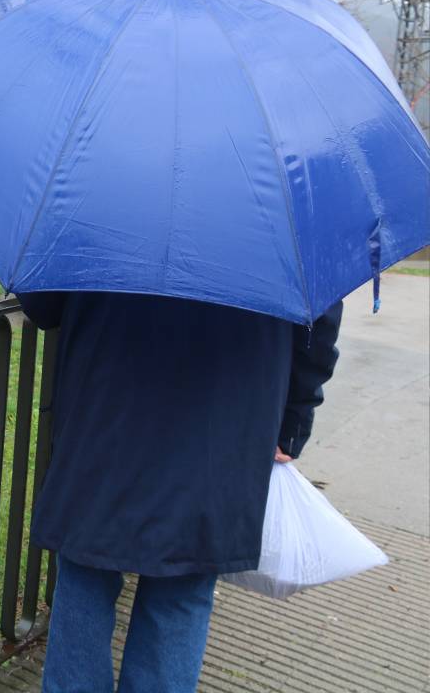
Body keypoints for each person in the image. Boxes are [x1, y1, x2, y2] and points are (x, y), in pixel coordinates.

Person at [17, 291, 343, 693]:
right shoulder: (290, 231)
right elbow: (319, 316)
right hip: (226, 414)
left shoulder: (108, 222)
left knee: (87, 569)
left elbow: (45, 304)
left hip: (106, 405)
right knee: (182, 583)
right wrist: (294, 418)